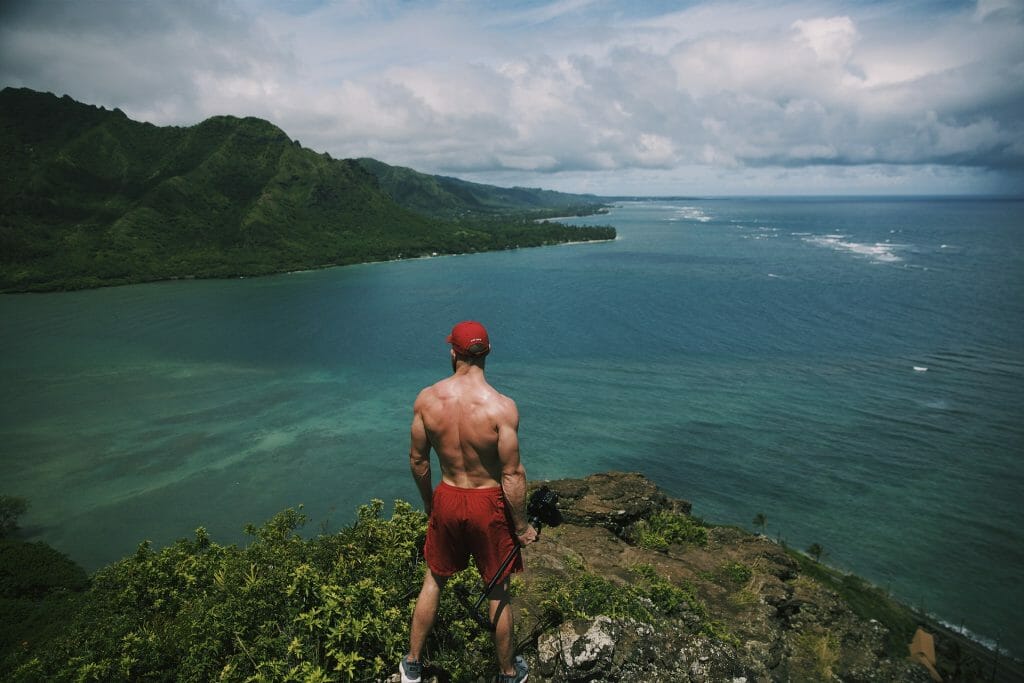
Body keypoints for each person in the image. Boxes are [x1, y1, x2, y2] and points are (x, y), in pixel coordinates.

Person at [400, 321, 537, 683]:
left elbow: (417, 460)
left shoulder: (427, 400)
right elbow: (512, 475)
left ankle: (412, 665)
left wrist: (431, 503)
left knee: (434, 580)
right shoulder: (501, 408)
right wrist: (521, 526)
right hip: (488, 502)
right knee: (498, 590)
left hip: (447, 496)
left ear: (453, 353)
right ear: (488, 352)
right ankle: (508, 673)